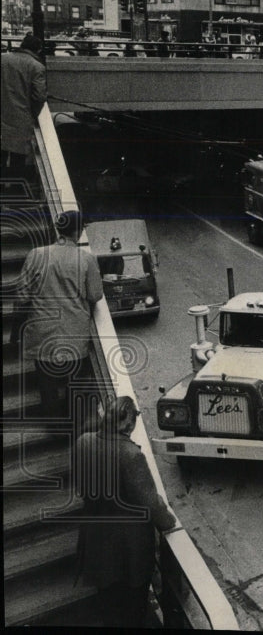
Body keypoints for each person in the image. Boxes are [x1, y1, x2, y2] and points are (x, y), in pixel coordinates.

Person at [75, 395, 176, 628]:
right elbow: (150, 504)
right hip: (128, 547)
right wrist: (168, 522)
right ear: (129, 424)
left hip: (96, 538)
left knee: (108, 599)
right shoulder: (131, 455)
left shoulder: (83, 442)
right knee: (132, 607)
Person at [16, 210, 104, 419]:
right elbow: (95, 294)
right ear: (79, 231)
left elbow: (21, 297)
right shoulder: (87, 259)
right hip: (74, 335)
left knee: (47, 385)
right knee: (75, 383)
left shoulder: (36, 254)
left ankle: (53, 423)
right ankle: (73, 423)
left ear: (58, 229)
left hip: (42, 333)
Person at [1, 33, 47, 172]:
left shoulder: (3, 59)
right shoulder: (36, 66)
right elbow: (39, 96)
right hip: (20, 118)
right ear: (38, 50)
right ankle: (15, 187)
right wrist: (33, 114)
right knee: (17, 157)